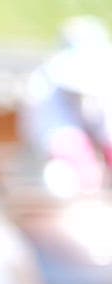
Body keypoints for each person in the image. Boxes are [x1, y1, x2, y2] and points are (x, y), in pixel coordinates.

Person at [19, 16, 112, 193]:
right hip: (52, 176)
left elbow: (107, 127)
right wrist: (80, 162)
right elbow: (58, 136)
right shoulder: (44, 86)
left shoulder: (105, 85)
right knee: (62, 174)